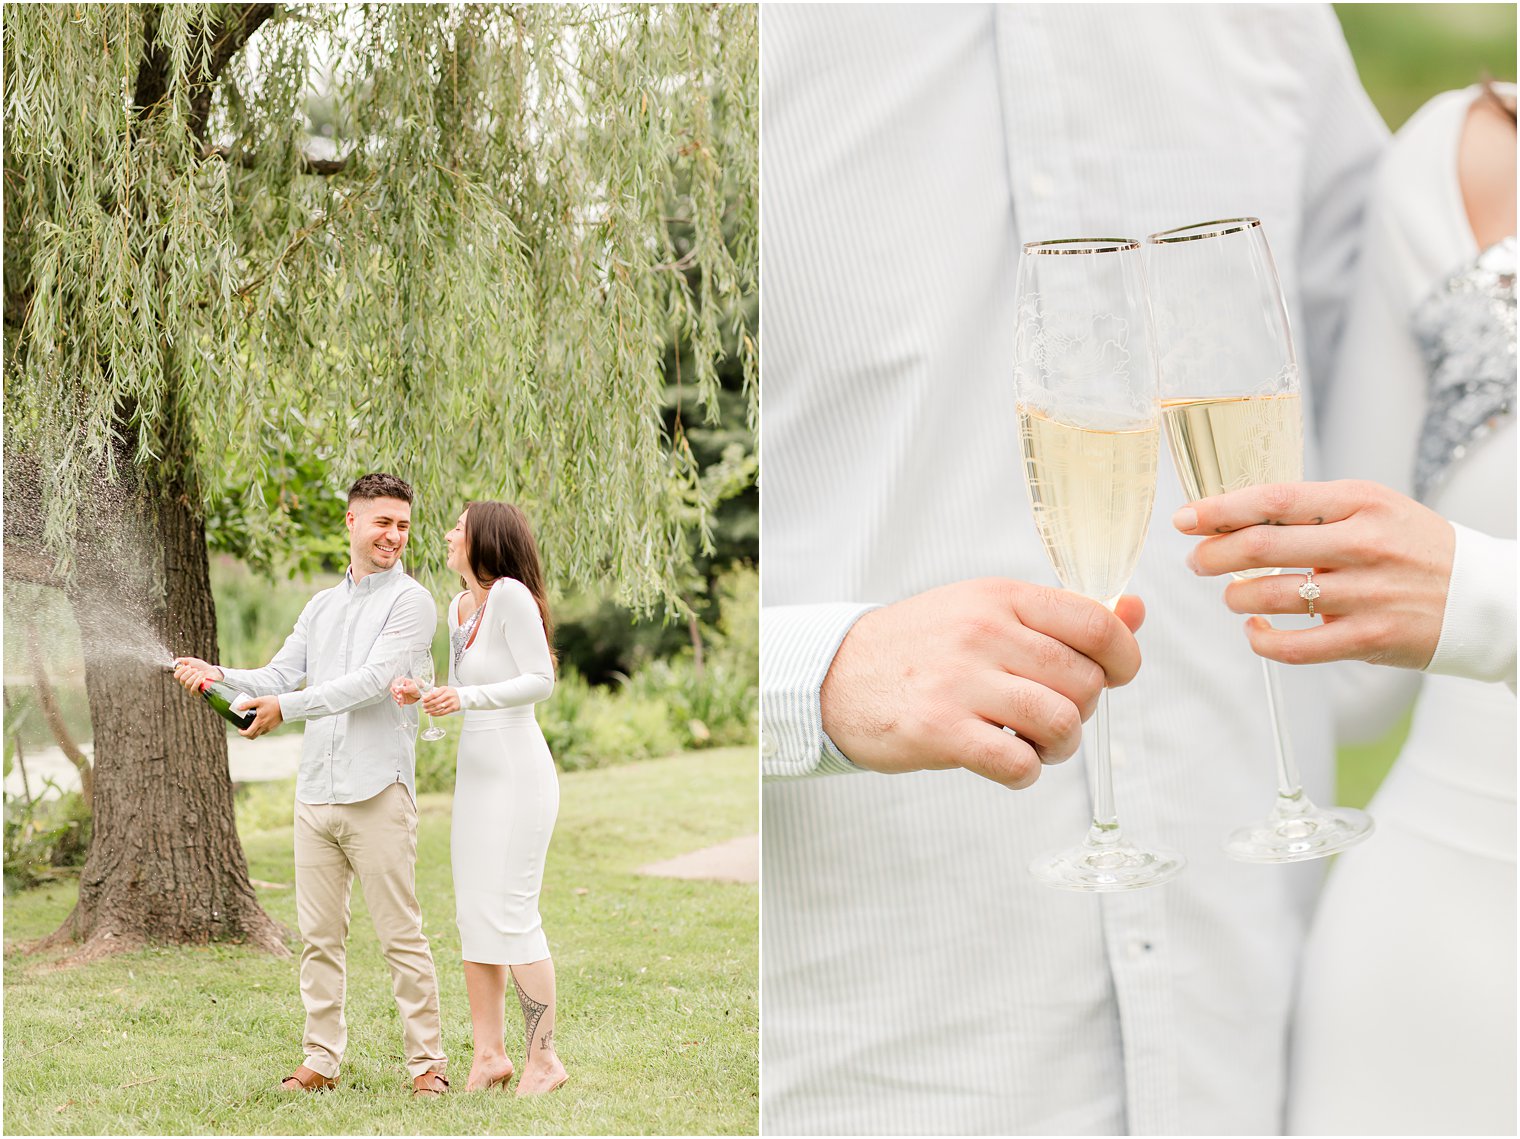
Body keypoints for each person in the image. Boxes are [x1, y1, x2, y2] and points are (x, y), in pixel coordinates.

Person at [760, 5, 1387, 1134]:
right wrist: (812, 676)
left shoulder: (1271, 22)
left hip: (1248, 1042)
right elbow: (546, 567)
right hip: (879, 1059)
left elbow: (1395, 456)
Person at [1174, 81, 1516, 1135]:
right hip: (1427, 976)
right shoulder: (1460, 156)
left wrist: (1482, 603)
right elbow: (1356, 676)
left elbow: (1438, 602)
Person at [172, 473, 449, 1098]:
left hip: (379, 790)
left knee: (401, 935)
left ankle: (427, 1065)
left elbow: (373, 681)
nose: (394, 536)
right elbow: (278, 672)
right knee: (319, 939)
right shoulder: (320, 606)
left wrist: (282, 709)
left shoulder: (412, 601)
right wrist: (216, 673)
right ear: (351, 522)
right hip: (316, 795)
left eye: (403, 525)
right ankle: (321, 1061)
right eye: (382, 522)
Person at [393, 501, 567, 1096]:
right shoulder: (459, 606)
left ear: (484, 539)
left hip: (518, 771)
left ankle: (543, 1059)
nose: (448, 534)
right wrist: (428, 692)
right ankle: (489, 1057)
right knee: (473, 914)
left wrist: (464, 701)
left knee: (514, 913)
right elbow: (463, 689)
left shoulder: (512, 596)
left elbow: (539, 679)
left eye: (460, 528)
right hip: (477, 773)